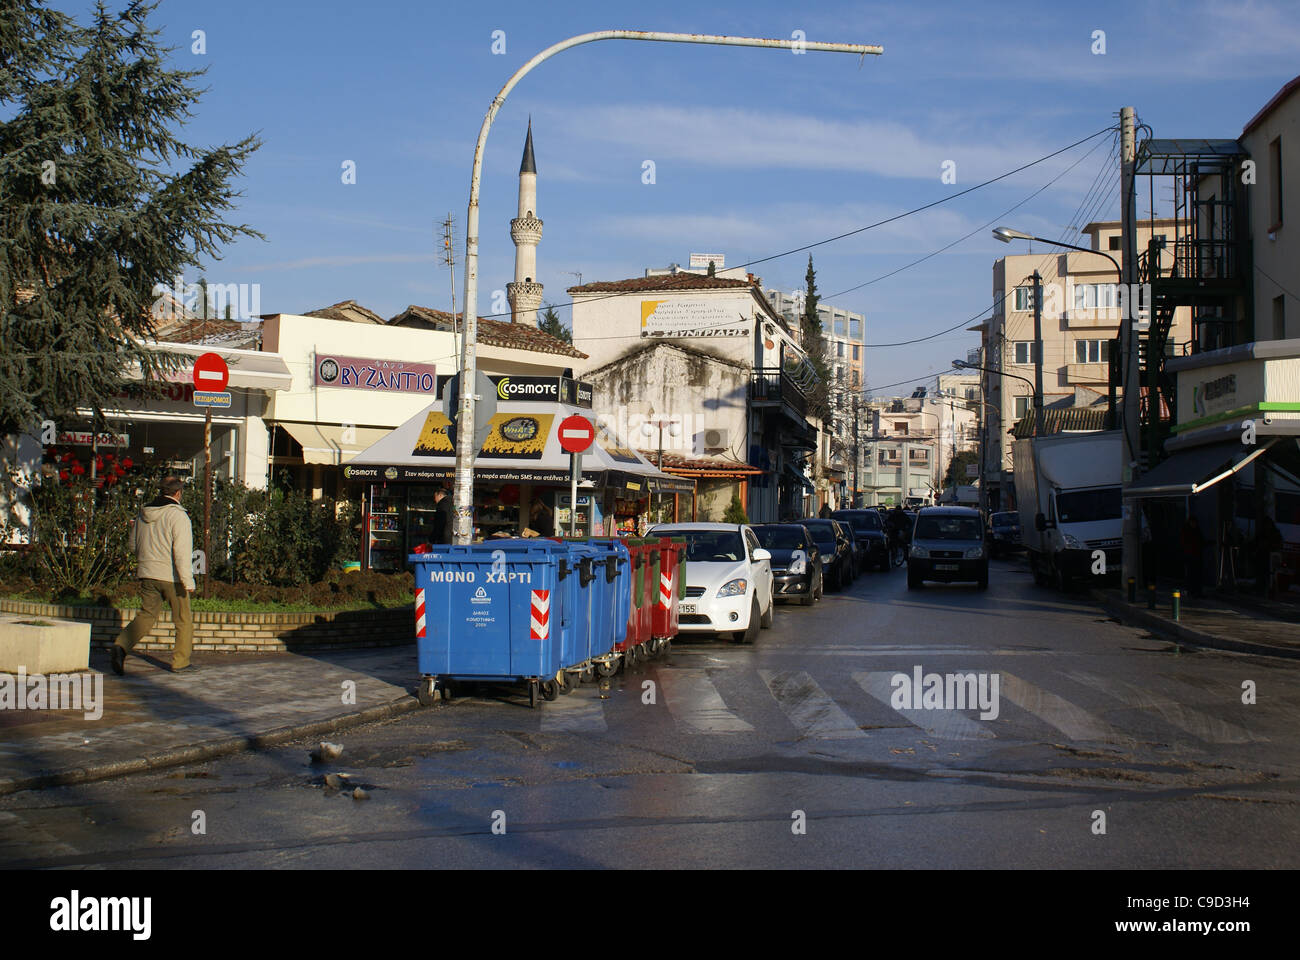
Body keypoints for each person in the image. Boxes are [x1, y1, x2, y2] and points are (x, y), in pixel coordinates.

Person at [112, 476, 196, 675]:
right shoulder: (178, 516)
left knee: (147, 615)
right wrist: (188, 580)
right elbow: (182, 552)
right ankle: (181, 662)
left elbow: (133, 544)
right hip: (172, 577)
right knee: (183, 619)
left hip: (147, 573)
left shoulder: (143, 514)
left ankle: (121, 645)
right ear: (178, 493)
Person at [1181, 514, 1205, 598]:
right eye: (1193, 523)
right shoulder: (1187, 531)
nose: (1194, 524)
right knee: (1191, 574)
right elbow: (1185, 543)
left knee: (1197, 574)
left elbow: (1200, 541)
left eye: (1195, 523)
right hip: (1190, 555)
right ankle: (1191, 591)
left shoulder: (1196, 531)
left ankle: (1197, 591)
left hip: (1196, 555)